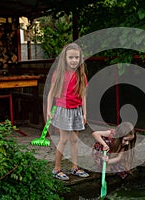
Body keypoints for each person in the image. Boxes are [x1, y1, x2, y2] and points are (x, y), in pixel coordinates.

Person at [47, 43, 89, 180]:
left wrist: (84, 113)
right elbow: (51, 93)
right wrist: (49, 111)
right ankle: (57, 169)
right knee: (63, 139)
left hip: (76, 110)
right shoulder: (59, 74)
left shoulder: (81, 74)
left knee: (75, 140)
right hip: (63, 110)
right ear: (65, 58)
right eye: (71, 57)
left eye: (76, 57)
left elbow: (83, 95)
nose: (74, 60)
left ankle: (75, 167)